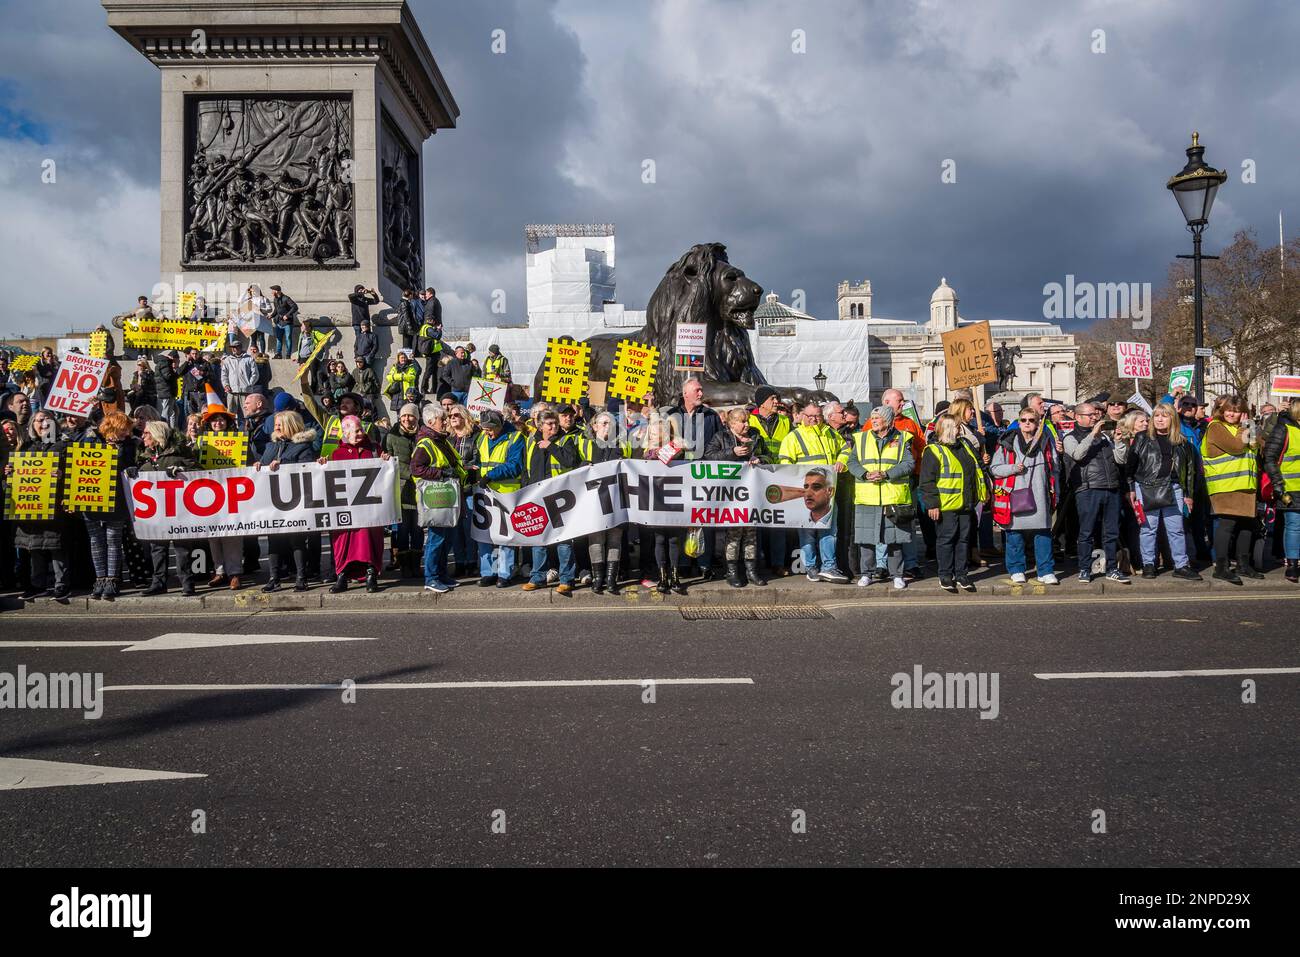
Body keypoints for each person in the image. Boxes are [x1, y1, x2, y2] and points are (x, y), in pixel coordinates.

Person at [1114, 404, 1201, 581]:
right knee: (1148, 529)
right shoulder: (1142, 438)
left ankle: (1181, 565)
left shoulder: (1183, 442)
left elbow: (1190, 471)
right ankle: (1149, 565)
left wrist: (1188, 495)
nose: (1160, 419)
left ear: (1172, 419)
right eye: (1157, 416)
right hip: (1146, 487)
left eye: (1165, 416)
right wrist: (1131, 488)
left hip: (1174, 487)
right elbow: (1130, 466)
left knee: (1176, 529)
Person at [316, 415, 390, 592]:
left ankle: (371, 575)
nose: (359, 433)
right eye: (355, 431)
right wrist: (323, 465)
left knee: (369, 541)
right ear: (345, 433)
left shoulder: (373, 448)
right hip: (346, 509)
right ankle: (342, 576)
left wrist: (386, 460)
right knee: (343, 543)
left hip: (369, 509)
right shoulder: (336, 453)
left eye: (360, 429)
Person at [778, 401, 850, 583]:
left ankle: (828, 567)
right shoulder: (793, 437)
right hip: (806, 494)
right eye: (810, 416)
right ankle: (811, 567)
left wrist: (842, 461)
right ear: (803, 416)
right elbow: (785, 464)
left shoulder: (830, 434)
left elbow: (846, 451)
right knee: (807, 532)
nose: (814, 419)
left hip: (827, 494)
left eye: (817, 416)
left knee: (829, 531)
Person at [4, 411, 71, 601]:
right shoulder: (25, 447)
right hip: (32, 506)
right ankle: (37, 585)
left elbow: (73, 474)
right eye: (39, 420)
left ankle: (61, 585)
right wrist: (10, 471)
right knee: (34, 546)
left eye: (47, 419)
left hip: (54, 506)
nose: (43, 423)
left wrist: (62, 475)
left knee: (56, 545)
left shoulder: (63, 445)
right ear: (32, 425)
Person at [847, 405, 915, 590]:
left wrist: (887, 474)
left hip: (892, 496)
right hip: (867, 497)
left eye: (877, 418)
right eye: (872, 417)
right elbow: (851, 462)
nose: (874, 421)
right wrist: (864, 474)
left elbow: (909, 464)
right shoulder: (861, 438)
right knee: (866, 538)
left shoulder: (902, 438)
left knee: (894, 539)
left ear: (888, 421)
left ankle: (897, 575)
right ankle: (866, 573)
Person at [991, 405, 1060, 585]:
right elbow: (995, 468)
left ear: (1038, 423)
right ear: (1018, 423)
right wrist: (1013, 468)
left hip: (1039, 492)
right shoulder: (1007, 441)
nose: (1027, 423)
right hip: (1014, 493)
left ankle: (1045, 570)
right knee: (1014, 534)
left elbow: (1055, 466)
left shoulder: (1046, 440)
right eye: (1024, 420)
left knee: (1043, 533)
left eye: (1032, 420)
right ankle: (1016, 569)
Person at [920, 414, 989, 593]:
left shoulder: (964, 445)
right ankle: (945, 575)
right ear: (949, 428)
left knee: (963, 540)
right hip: (946, 505)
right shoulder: (933, 450)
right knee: (946, 540)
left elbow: (978, 467)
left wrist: (984, 489)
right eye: (958, 427)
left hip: (966, 503)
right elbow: (927, 481)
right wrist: (932, 504)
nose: (960, 430)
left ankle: (962, 574)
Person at [703, 407, 769, 588]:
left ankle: (751, 570)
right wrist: (732, 453)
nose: (747, 424)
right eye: (742, 421)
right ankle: (731, 571)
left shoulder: (756, 436)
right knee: (733, 532)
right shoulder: (721, 437)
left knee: (751, 532)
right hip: (730, 494)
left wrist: (760, 460)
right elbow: (709, 457)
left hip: (752, 492)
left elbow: (769, 456)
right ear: (731, 423)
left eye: (747, 421)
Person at [1065, 401, 1129, 584]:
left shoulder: (1105, 437)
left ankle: (1111, 568)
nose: (1095, 418)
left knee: (1111, 532)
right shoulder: (1071, 437)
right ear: (1078, 417)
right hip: (1088, 489)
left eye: (1095, 415)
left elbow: (1120, 459)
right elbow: (1077, 454)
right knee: (1086, 532)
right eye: (1090, 415)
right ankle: (1084, 569)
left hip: (1111, 488)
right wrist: (1093, 434)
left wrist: (1118, 442)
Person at [254, 410, 318, 592]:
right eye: (275, 424)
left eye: (280, 424)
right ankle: (274, 578)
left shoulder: (304, 447)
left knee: (296, 540)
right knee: (274, 541)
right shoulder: (270, 447)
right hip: (272, 503)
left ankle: (301, 577)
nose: (276, 427)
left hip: (295, 502)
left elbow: (306, 470)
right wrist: (259, 466)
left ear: (291, 425)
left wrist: (283, 466)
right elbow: (265, 468)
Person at [520, 411, 582, 595]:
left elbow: (571, 461)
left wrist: (551, 446)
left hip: (559, 497)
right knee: (539, 539)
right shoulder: (531, 441)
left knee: (563, 540)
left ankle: (566, 579)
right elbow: (526, 469)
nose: (553, 426)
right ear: (540, 426)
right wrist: (525, 492)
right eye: (548, 423)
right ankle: (537, 577)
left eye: (555, 423)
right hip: (536, 496)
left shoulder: (564, 440)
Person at [1201, 395, 1262, 585]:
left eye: (1236, 411)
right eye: (1228, 410)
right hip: (1225, 485)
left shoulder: (1243, 426)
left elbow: (1258, 446)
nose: (1231, 414)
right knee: (1227, 525)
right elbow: (1237, 447)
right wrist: (1246, 427)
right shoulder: (1216, 427)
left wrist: (1250, 425)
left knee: (1247, 525)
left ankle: (1243, 564)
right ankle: (1221, 567)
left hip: (1246, 484)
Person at [136, 420, 199, 596]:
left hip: (179, 511)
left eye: (147, 433)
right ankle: (159, 583)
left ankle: (187, 583)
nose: (143, 436)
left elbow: (198, 471)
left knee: (182, 548)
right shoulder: (145, 456)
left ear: (157, 436)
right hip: (157, 512)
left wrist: (182, 469)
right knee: (157, 548)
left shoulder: (179, 453)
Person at [80, 411, 138, 601]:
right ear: (112, 426)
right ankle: (100, 579)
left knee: (113, 540)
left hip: (117, 499)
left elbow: (129, 465)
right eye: (123, 429)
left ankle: (112, 580)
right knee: (96, 540)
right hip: (91, 499)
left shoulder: (129, 445)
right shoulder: (90, 441)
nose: (126, 433)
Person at [409, 405, 465, 593]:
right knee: (437, 539)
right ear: (431, 422)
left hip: (447, 496)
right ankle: (431, 578)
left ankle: (441, 575)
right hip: (435, 499)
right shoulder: (425, 443)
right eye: (443, 419)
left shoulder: (440, 440)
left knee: (446, 539)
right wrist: (441, 473)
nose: (446, 422)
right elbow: (416, 468)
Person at [577, 410, 630, 594]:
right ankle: (598, 578)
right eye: (604, 423)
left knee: (615, 539)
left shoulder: (622, 445)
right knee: (596, 539)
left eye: (611, 423)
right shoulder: (587, 445)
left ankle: (611, 578)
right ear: (595, 426)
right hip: (594, 503)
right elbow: (578, 470)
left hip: (616, 501)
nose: (608, 426)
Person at [198, 391, 246, 589]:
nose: (217, 423)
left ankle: (234, 572)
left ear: (227, 422)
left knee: (232, 534)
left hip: (231, 491)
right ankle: (219, 571)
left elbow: (245, 463)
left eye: (220, 419)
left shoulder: (238, 439)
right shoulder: (202, 441)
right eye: (214, 420)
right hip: (208, 492)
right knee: (213, 534)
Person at [474, 410, 525, 587]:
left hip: (506, 492)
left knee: (505, 536)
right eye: (484, 429)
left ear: (499, 426)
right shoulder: (482, 437)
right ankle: (488, 572)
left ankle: (505, 573)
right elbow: (480, 461)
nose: (487, 433)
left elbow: (515, 466)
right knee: (485, 534)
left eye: (490, 429)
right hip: (485, 492)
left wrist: (490, 475)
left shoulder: (515, 438)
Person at [881, 388, 926, 578]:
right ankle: (882, 565)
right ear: (886, 403)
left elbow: (922, 449)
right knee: (883, 524)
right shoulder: (871, 423)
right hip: (882, 484)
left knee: (907, 523)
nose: (902, 404)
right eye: (899, 401)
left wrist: (917, 475)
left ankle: (911, 563)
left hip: (908, 483)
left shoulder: (910, 424)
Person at [748, 385, 792, 576]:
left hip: (779, 475)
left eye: (777, 398)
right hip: (755, 476)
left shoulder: (785, 421)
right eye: (772, 398)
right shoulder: (749, 420)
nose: (776, 402)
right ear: (762, 402)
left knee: (777, 522)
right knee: (756, 522)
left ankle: (777, 563)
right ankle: (756, 562)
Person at [642, 413, 688, 594]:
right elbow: (649, 458)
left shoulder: (677, 447)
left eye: (657, 432)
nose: (654, 436)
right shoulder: (646, 452)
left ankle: (674, 576)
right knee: (660, 539)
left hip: (675, 497)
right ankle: (662, 576)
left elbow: (669, 455)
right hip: (656, 499)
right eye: (652, 433)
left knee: (674, 539)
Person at [384, 403, 424, 580]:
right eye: (404, 416)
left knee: (417, 530)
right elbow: (392, 461)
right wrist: (414, 474)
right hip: (401, 490)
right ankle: (404, 566)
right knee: (401, 530)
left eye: (411, 416)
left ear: (417, 417)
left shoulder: (422, 435)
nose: (407, 419)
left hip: (421, 491)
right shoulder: (391, 436)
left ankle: (416, 565)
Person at [1263, 400, 1300, 583]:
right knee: (1294, 525)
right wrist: (1278, 483)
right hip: (1290, 487)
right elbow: (1269, 457)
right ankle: (1292, 565)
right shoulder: (1284, 428)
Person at [220, 341, 259, 427]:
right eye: (232, 347)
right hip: (231, 392)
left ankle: (246, 431)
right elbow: (224, 375)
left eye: (236, 347)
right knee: (230, 414)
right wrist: (226, 385)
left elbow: (255, 373)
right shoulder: (227, 360)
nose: (234, 349)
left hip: (245, 391)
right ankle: (231, 430)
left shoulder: (249, 359)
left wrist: (249, 384)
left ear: (240, 347)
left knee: (246, 414)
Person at [415, 312, 444, 394]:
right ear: (432, 321)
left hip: (433, 353)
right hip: (431, 354)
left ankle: (433, 389)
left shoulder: (426, 327)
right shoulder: (428, 328)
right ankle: (424, 389)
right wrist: (439, 329)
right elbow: (437, 336)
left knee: (434, 372)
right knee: (429, 372)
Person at [269, 285, 299, 359]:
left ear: (277, 291)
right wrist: (271, 316)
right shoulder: (275, 299)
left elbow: (295, 307)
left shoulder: (286, 298)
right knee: (278, 339)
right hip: (279, 322)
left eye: (272, 291)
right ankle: (278, 354)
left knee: (288, 338)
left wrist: (287, 315)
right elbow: (276, 310)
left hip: (287, 323)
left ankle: (288, 354)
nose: (271, 292)